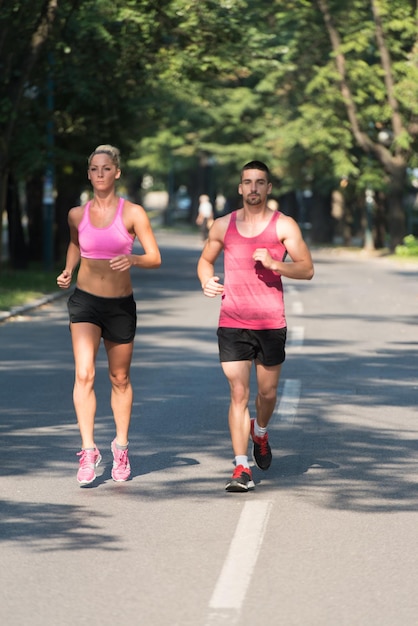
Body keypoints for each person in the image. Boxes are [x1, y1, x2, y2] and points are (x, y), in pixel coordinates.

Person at [197, 161, 314, 492]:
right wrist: (207, 281)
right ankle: (240, 467)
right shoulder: (222, 226)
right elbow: (205, 261)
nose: (253, 188)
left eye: (259, 182)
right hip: (232, 320)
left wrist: (276, 263)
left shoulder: (283, 226)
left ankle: (259, 431)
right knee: (238, 393)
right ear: (239, 188)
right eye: (247, 182)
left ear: (268, 188)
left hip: (270, 322)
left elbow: (306, 269)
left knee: (267, 393)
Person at [57, 144, 161, 486]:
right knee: (84, 374)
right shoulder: (77, 214)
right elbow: (76, 243)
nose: (100, 174)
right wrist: (69, 269)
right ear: (89, 174)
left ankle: (121, 446)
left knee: (120, 379)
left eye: (106, 169)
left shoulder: (133, 213)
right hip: (85, 301)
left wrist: (132, 259)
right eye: (94, 169)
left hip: (120, 305)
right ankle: (88, 450)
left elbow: (154, 257)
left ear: (116, 173)